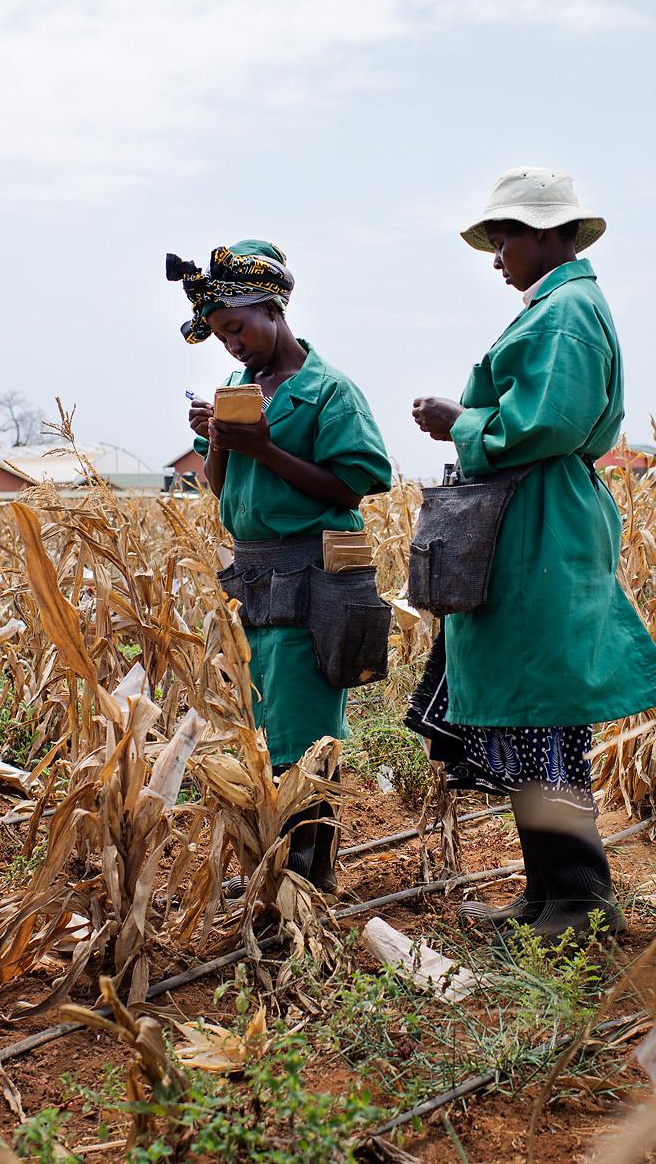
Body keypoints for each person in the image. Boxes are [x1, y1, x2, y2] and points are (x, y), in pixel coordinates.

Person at [408, 167, 656, 942]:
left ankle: (581, 901)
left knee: (545, 717)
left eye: (506, 235)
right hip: (534, 517)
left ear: (553, 235)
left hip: (541, 522)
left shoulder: (566, 311)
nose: (496, 253)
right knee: (531, 717)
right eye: (493, 237)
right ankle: (546, 893)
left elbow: (546, 423)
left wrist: (461, 420)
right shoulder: (560, 305)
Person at [180, 241, 391, 893]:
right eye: (218, 336)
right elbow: (218, 487)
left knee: (308, 733)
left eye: (237, 327)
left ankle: (310, 870)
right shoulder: (239, 392)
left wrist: (265, 447)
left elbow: (354, 484)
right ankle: (281, 862)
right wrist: (220, 440)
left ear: (274, 307)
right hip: (258, 582)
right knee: (271, 731)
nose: (231, 345)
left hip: (313, 579)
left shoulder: (327, 392)